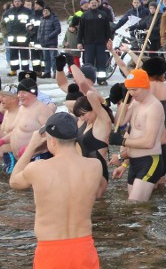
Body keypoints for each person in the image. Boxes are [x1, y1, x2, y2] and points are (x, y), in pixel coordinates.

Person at [10, 113, 102, 268]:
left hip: (51, 251)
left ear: (51, 140)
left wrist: (31, 146)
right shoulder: (95, 166)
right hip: (84, 248)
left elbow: (14, 181)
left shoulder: (38, 169)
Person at [111, 70, 166, 202]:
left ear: (145, 86)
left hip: (149, 160)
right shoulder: (135, 103)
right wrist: (124, 102)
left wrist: (123, 141)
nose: (132, 93)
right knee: (136, 210)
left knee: (135, 204)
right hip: (133, 161)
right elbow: (120, 122)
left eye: (134, 90)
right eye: (129, 90)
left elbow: (149, 142)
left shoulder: (154, 107)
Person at [2, 75, 52, 159]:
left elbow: (50, 135)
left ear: (33, 93)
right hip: (22, 158)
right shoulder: (21, 109)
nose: (20, 95)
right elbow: (18, 131)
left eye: (24, 92)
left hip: (37, 157)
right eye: (19, 92)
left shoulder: (42, 109)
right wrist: (3, 140)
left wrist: (29, 148)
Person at [73, 89, 114, 190]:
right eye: (79, 116)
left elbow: (90, 94)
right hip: (85, 170)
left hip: (98, 172)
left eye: (84, 114)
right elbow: (69, 103)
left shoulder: (103, 122)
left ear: (94, 109)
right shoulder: (86, 123)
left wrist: (104, 103)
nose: (82, 118)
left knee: (97, 204)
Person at [77, 0, 112, 85]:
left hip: (101, 43)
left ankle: (101, 79)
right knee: (88, 62)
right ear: (89, 4)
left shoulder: (103, 14)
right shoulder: (85, 15)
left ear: (98, 4)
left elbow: (107, 29)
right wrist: (79, 42)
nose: (94, 4)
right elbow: (80, 30)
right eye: (92, 2)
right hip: (88, 43)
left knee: (101, 62)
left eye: (95, 2)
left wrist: (109, 40)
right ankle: (88, 80)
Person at [3, 0, 33, 75]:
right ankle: (14, 70)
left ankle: (25, 70)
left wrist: (28, 33)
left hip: (23, 37)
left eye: (18, 1)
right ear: (13, 2)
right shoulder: (8, 12)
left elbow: (31, 21)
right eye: (15, 1)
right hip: (12, 38)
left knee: (24, 55)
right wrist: (8, 31)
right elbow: (5, 21)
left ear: (21, 2)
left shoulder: (27, 11)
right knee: (13, 55)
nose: (17, 2)